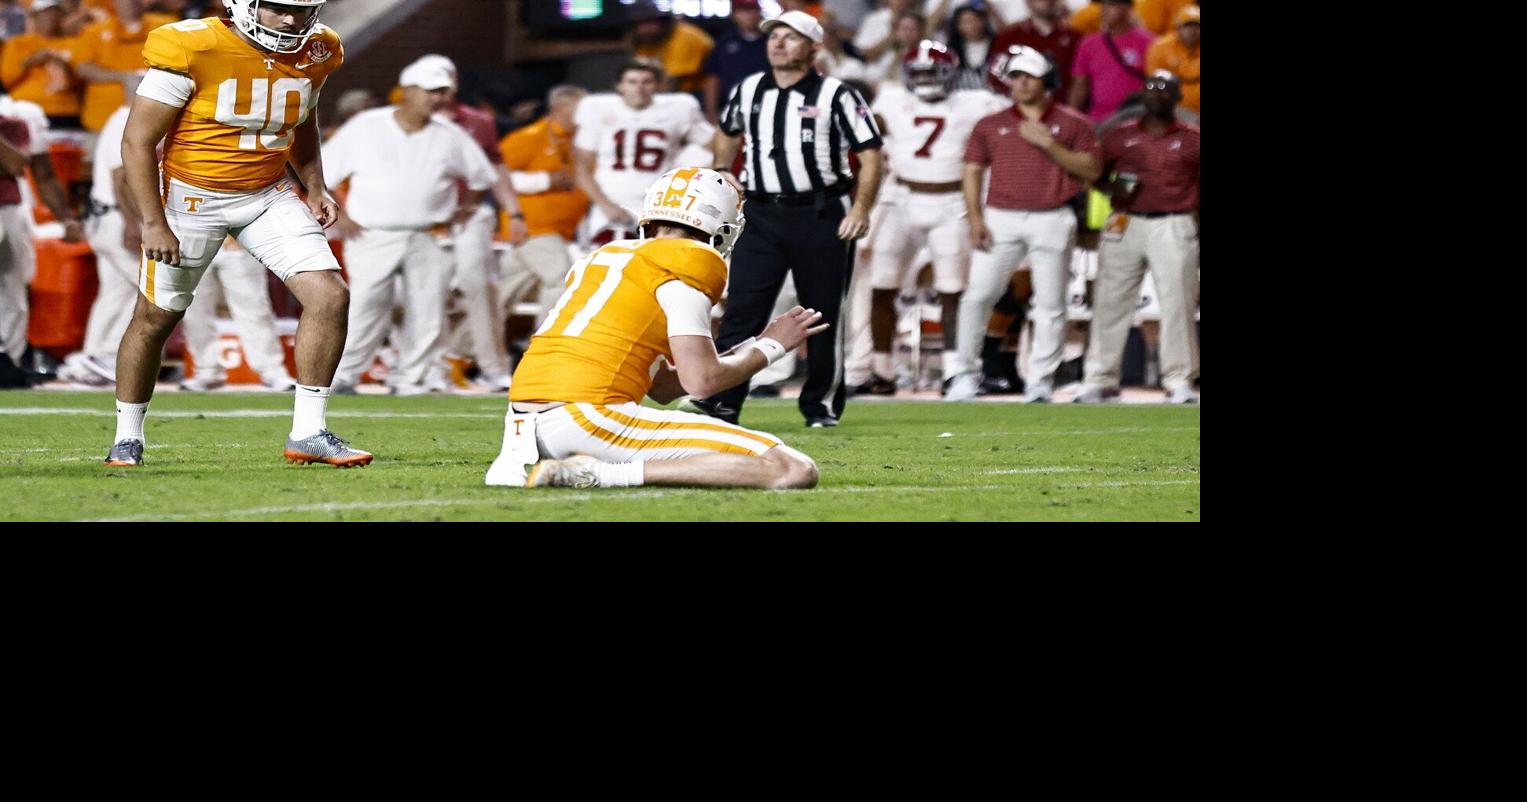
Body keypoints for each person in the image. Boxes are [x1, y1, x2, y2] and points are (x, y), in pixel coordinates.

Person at [104, 0, 366, 467]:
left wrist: (314, 184)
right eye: (279, 8)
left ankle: (309, 431)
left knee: (330, 296)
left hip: (266, 193)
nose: (291, 20)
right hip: (191, 197)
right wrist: (153, 221)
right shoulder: (192, 45)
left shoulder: (320, 48)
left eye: (301, 10)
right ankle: (128, 434)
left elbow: (302, 117)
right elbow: (137, 143)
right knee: (156, 318)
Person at [485, 167, 822, 490]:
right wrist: (770, 347)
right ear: (720, 225)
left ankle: (583, 467)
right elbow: (702, 382)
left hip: (524, 424)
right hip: (588, 418)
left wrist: (751, 346)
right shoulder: (684, 266)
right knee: (792, 468)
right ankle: (598, 474)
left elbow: (661, 387)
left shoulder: (606, 258)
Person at [694, 10, 884, 428]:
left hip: (821, 212)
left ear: (814, 48)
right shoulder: (749, 89)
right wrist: (724, 169)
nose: (778, 43)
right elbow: (727, 129)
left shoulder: (837, 93)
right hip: (760, 212)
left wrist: (860, 207)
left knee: (821, 314)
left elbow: (871, 154)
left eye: (791, 37)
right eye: (774, 36)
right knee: (743, 310)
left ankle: (821, 405)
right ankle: (722, 402)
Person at [322, 58, 497, 396]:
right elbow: (323, 173)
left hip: (428, 233)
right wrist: (341, 216)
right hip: (373, 231)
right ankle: (344, 374)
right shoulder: (365, 126)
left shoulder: (450, 135)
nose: (438, 99)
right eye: (431, 92)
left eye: (443, 93)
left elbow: (481, 177)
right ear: (408, 91)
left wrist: (465, 209)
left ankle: (412, 377)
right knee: (364, 305)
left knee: (428, 307)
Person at [945, 44, 1100, 403]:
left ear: (1046, 80)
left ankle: (1041, 379)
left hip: (1053, 215)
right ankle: (965, 373)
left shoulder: (1073, 123)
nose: (1021, 83)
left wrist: (1050, 145)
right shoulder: (991, 123)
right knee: (977, 296)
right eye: (1015, 76)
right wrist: (975, 217)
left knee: (1050, 302)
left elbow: (1092, 170)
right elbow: (971, 171)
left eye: (1029, 75)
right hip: (1001, 216)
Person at [856, 39, 1005, 395]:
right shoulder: (891, 99)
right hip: (901, 198)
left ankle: (956, 371)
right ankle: (882, 371)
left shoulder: (975, 102)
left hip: (952, 201)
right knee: (882, 284)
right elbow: (865, 131)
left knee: (952, 290)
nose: (926, 80)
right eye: (920, 72)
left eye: (933, 72)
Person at [1077, 70, 1197, 404]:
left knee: (1178, 302)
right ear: (1141, 96)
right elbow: (1095, 174)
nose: (1156, 95)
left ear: (1176, 97)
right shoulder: (1118, 136)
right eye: (1151, 89)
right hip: (1124, 221)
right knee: (1110, 300)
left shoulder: (1192, 139)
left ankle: (1179, 380)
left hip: (1173, 221)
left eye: (1164, 90)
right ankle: (1100, 378)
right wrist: (1109, 188)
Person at [573, 59, 714, 245]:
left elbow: (715, 145)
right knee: (604, 265)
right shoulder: (597, 109)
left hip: (658, 203)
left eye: (646, 82)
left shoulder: (678, 108)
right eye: (632, 81)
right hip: (609, 202)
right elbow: (581, 168)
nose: (639, 88)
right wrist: (605, 205)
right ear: (619, 86)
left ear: (657, 86)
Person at [1, 88, 85, 389]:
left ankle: (9, 361)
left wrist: (66, 217)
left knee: (14, 287)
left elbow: (39, 171)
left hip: (9, 206)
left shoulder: (21, 113)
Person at [497, 84, 588, 330]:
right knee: (561, 279)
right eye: (581, 109)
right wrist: (544, 180)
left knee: (508, 290)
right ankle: (542, 349)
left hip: (563, 232)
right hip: (533, 227)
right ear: (559, 108)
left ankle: (460, 350)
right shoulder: (529, 137)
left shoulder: (581, 141)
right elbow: (497, 176)